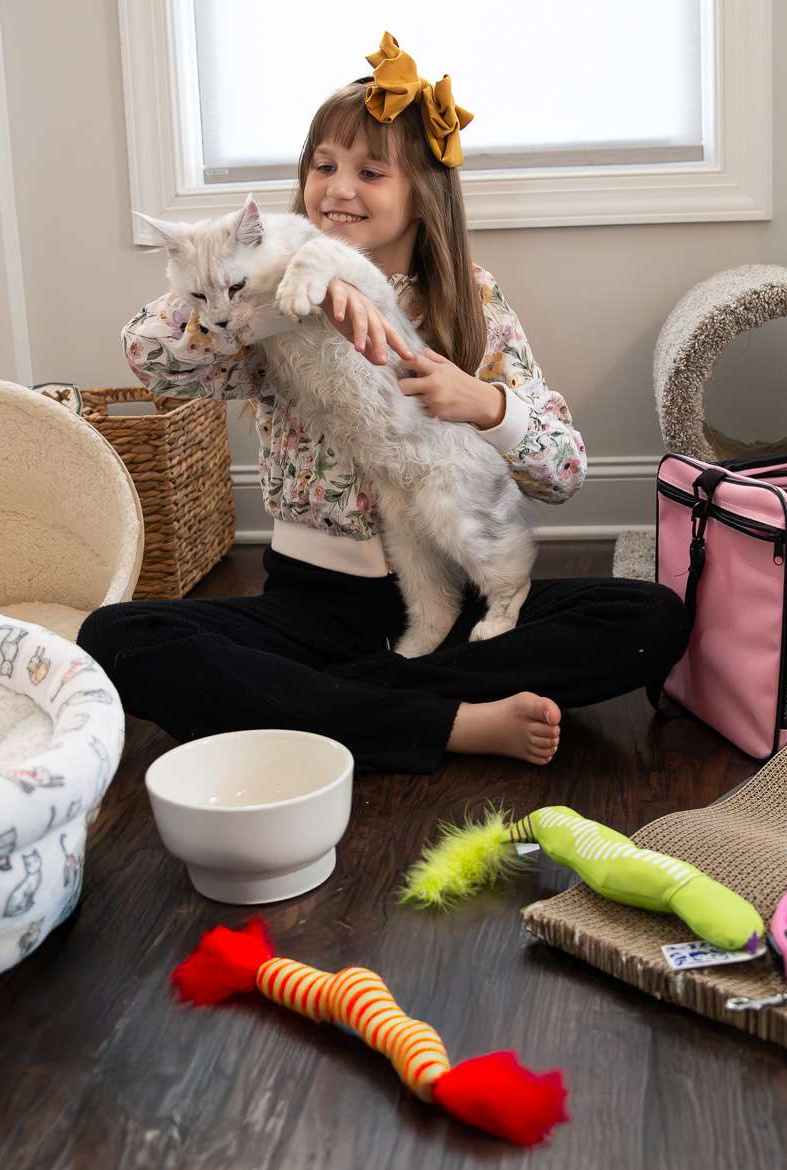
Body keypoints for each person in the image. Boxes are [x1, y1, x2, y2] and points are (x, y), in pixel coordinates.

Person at [79, 33, 687, 773]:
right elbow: (150, 358)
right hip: (308, 604)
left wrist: (488, 406)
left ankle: (327, 707)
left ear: (421, 192)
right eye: (323, 166)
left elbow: (563, 475)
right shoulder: (258, 295)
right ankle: (449, 721)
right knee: (116, 639)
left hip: (451, 597)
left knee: (648, 619)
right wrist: (303, 285)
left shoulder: (474, 299)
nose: (337, 189)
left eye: (370, 172)